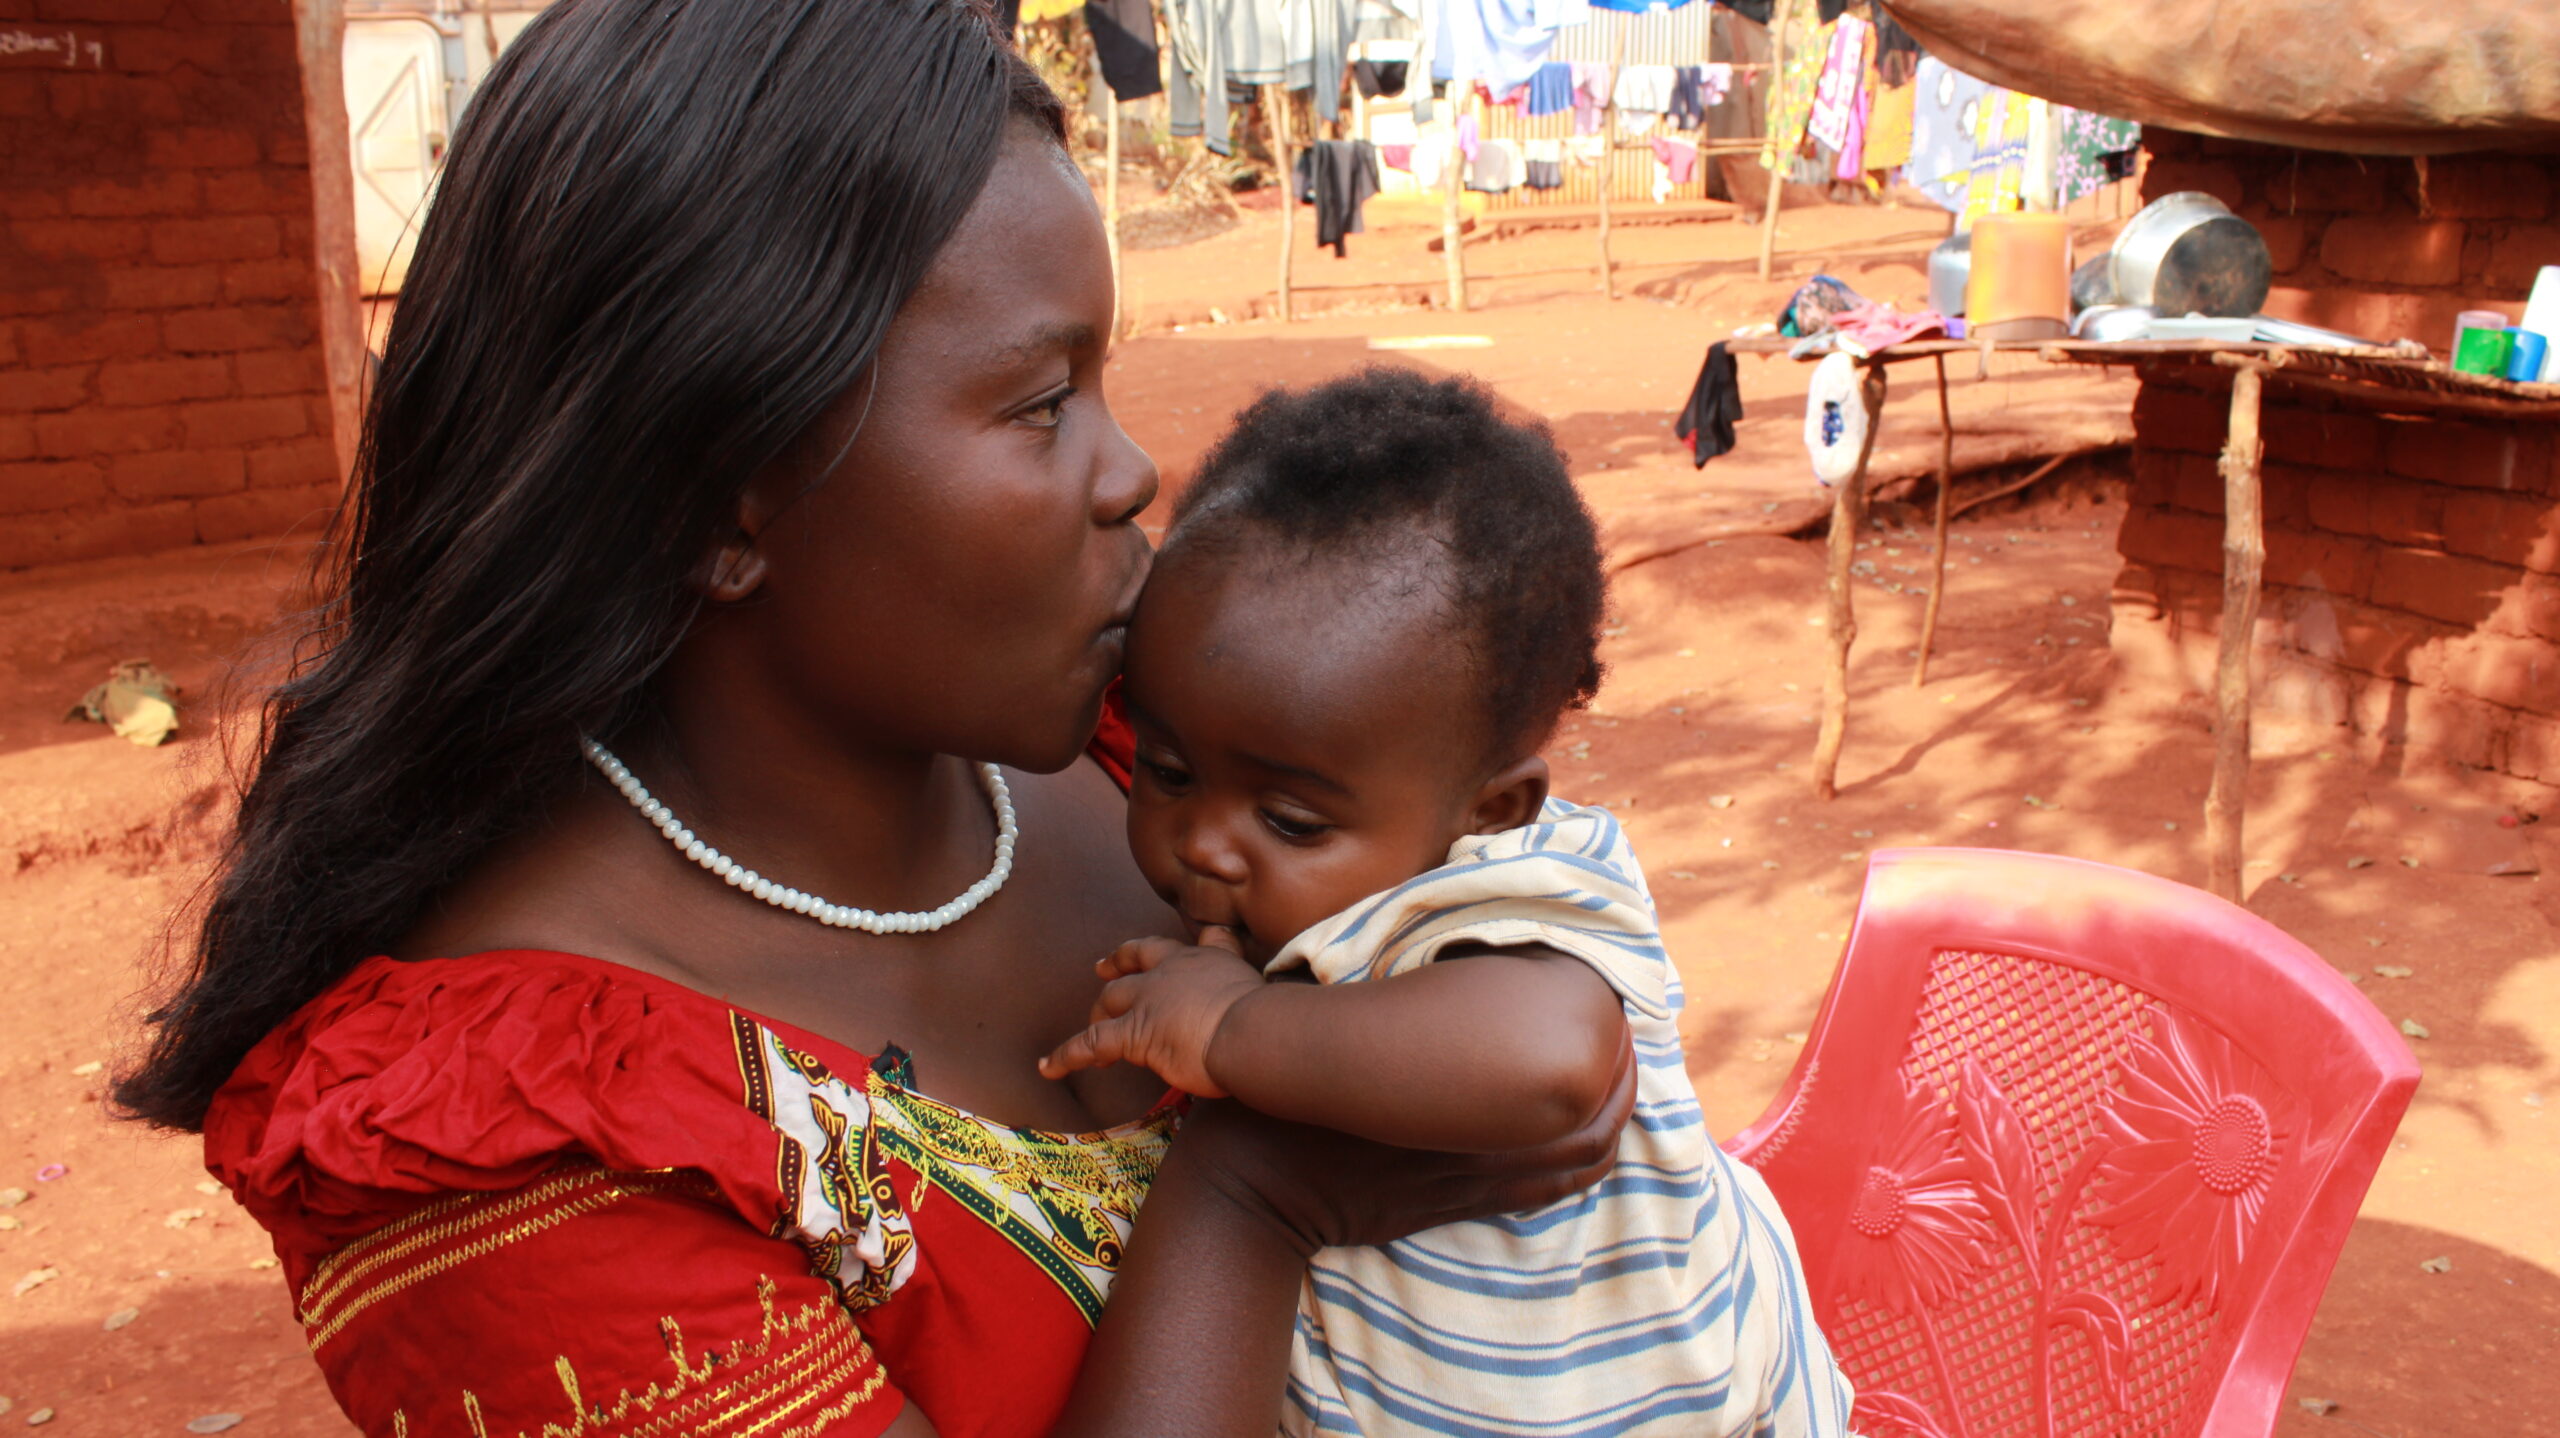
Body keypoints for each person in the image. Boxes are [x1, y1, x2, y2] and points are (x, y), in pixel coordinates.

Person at [111, 2, 1635, 1435]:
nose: (1130, 476)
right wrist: (1258, 1189)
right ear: (719, 499)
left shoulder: (1150, 753)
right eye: (1042, 403)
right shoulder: (520, 1156)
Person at [1038, 370, 1856, 1437]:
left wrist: (1233, 1027)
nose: (1203, 843)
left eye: (1288, 821)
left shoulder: (1512, 887)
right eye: (1169, 770)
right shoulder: (1299, 899)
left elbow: (1554, 1058)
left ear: (1490, 809)